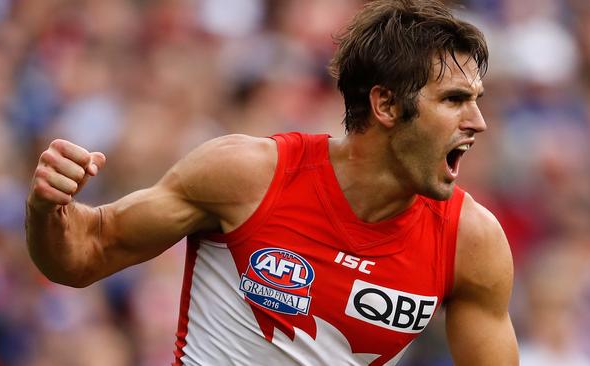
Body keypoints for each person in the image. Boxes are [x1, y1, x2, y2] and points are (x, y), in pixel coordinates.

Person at [26, 0, 519, 365]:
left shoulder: (471, 241)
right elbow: (82, 255)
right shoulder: (250, 174)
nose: (478, 121)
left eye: (475, 100)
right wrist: (48, 208)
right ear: (386, 105)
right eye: (454, 100)